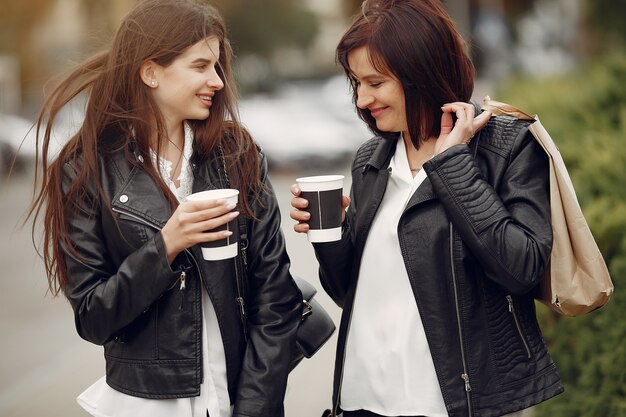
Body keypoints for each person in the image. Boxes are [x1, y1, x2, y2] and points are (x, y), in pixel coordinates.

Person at [290, 1, 563, 416]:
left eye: (375, 82)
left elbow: (521, 269)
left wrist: (452, 166)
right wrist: (332, 236)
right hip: (359, 399)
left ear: (420, 73)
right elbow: (350, 293)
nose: (362, 99)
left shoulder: (505, 147)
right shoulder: (372, 160)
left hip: (448, 404)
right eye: (357, 83)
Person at [28, 1, 302, 416]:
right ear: (151, 71)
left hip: (236, 398)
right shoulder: (86, 169)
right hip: (142, 405)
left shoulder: (238, 154)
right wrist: (167, 246)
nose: (217, 80)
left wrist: (253, 407)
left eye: (217, 66)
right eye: (200, 66)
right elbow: (93, 316)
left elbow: (276, 301)